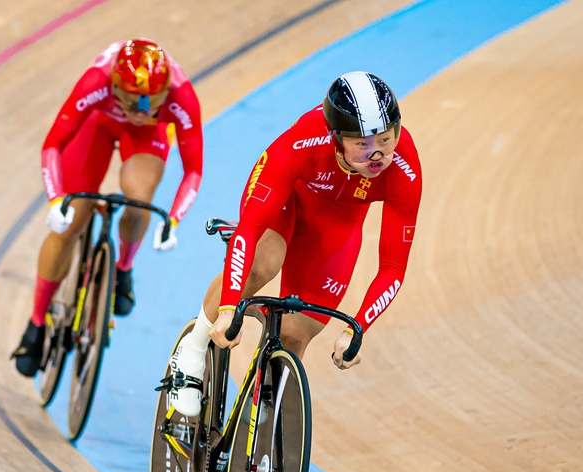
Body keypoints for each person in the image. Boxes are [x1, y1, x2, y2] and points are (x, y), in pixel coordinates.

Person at [167, 71, 422, 416]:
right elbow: (251, 228)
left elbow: (393, 267)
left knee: (296, 334)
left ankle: (255, 427)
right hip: (286, 201)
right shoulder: (305, 141)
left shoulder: (405, 169)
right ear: (336, 139)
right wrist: (229, 308)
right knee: (263, 262)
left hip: (336, 225)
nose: (376, 154)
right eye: (362, 144)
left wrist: (356, 328)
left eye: (385, 139)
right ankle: (192, 353)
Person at [13, 39, 204, 377]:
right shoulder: (96, 82)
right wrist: (58, 201)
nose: (142, 109)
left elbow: (193, 169)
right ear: (115, 87)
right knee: (72, 221)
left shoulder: (181, 97)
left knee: (138, 201)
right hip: (97, 123)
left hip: (145, 137)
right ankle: (36, 322)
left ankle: (124, 268)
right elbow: (53, 144)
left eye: (152, 102)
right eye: (133, 101)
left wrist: (173, 220)